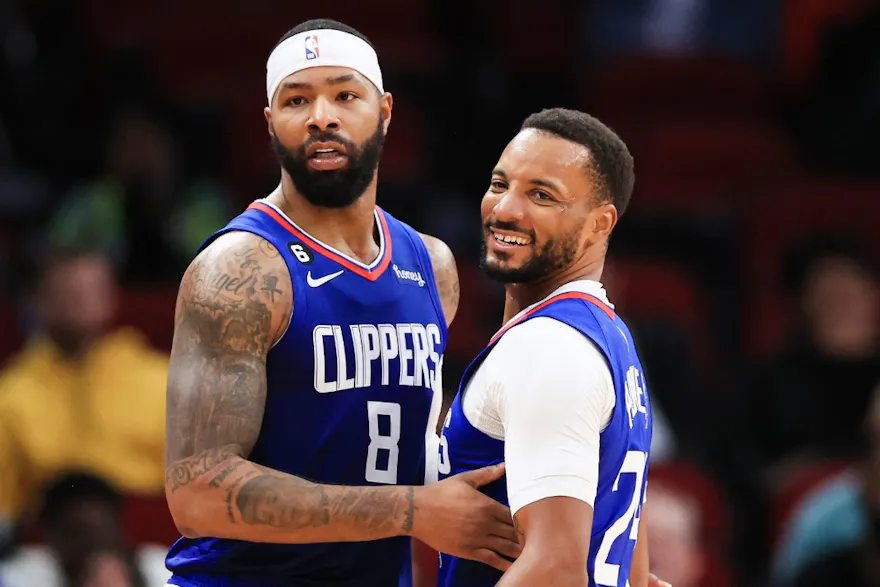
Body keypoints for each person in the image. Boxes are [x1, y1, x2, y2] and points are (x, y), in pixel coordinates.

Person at [163, 18, 519, 587]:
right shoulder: (240, 271)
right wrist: (411, 510)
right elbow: (197, 494)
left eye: (344, 94)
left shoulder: (433, 267)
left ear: (384, 111)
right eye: (296, 99)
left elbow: (412, 447)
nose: (320, 116)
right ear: (270, 123)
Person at [431, 108, 654, 587]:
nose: (506, 209)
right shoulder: (609, 338)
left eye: (541, 195)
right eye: (499, 184)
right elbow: (634, 570)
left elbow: (554, 569)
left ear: (600, 224)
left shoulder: (549, 346)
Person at [0, 249, 167, 519]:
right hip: (46, 549)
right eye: (67, 291)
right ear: (39, 301)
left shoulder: (163, 380)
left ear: (110, 296)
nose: (79, 300)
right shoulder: (11, 393)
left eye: (89, 290)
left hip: (152, 546)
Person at [0, 472, 168, 587]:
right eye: (78, 534)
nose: (95, 548)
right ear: (50, 534)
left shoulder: (160, 565)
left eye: (102, 532)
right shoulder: (24, 572)